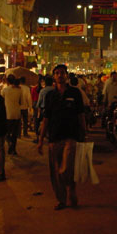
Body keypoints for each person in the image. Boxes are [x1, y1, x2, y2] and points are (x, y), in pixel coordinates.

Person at [37, 64, 86, 210]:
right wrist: (40, 140)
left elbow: (81, 114)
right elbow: (46, 119)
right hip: (54, 137)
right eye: (57, 73)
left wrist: (84, 132)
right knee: (55, 172)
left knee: (66, 168)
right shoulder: (50, 95)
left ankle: (71, 189)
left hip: (71, 136)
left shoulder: (75, 93)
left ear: (67, 75)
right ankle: (62, 200)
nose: (60, 75)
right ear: (54, 76)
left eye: (62, 73)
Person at [2, 74, 22, 155]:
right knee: (14, 133)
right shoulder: (19, 90)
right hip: (17, 114)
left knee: (6, 132)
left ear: (7, 81)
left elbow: (2, 101)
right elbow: (20, 102)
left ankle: (10, 143)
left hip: (8, 114)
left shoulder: (4, 90)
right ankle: (13, 149)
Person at [34, 76, 55, 143]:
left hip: (44, 110)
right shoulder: (54, 90)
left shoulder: (43, 91)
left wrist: (37, 108)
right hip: (53, 110)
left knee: (37, 122)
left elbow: (39, 102)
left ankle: (38, 138)